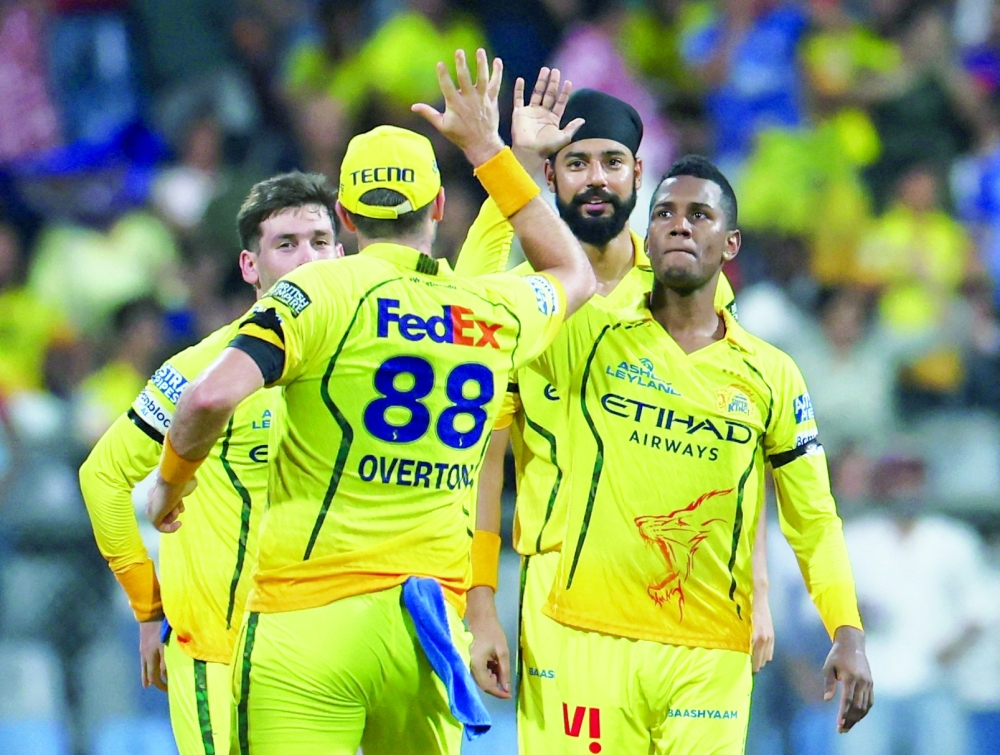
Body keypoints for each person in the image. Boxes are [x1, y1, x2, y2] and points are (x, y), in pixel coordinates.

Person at [144, 50, 597, 755]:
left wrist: (171, 485)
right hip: (425, 631)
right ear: (438, 207)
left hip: (307, 621)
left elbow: (210, 396)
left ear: (346, 215)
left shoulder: (318, 291)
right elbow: (572, 270)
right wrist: (488, 151)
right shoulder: (490, 309)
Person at [514, 154, 873, 753]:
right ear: (646, 239)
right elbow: (539, 261)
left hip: (710, 653)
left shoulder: (772, 374)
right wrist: (501, 158)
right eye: (664, 214)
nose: (680, 225)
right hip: (589, 639)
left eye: (699, 214)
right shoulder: (590, 334)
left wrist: (848, 627)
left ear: (730, 243)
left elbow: (813, 520)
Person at [452, 83, 775, 740]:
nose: (595, 179)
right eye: (576, 163)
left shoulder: (682, 294)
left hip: (677, 610)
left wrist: (759, 591)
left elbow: (733, 457)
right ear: (548, 175)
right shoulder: (521, 296)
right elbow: (481, 444)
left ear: (637, 172)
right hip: (560, 606)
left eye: (611, 162)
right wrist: (480, 601)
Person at [79, 171, 344, 754]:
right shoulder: (202, 368)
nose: (307, 258)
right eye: (286, 244)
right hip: (223, 659)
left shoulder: (371, 365)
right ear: (251, 267)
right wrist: (150, 609)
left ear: (343, 254)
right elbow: (101, 477)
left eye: (320, 242)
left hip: (329, 661)